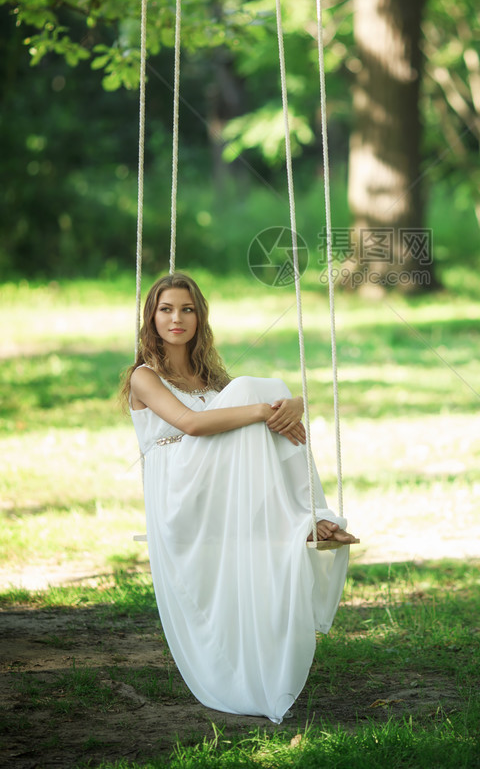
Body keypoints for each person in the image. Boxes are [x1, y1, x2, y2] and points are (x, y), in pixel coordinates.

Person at [122, 272, 357, 723]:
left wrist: (290, 406)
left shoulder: (210, 376)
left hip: (213, 478)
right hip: (178, 484)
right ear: (151, 317)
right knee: (258, 390)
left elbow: (245, 422)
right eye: (166, 309)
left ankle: (306, 517)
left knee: (265, 390)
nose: (177, 319)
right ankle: (303, 516)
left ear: (199, 317)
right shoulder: (143, 377)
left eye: (187, 309)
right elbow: (190, 425)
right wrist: (265, 409)